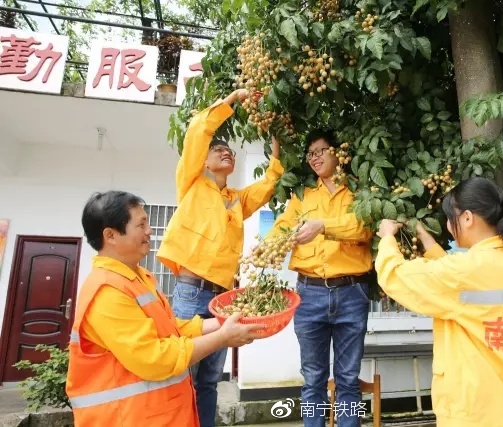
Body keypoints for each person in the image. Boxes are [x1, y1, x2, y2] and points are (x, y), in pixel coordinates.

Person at [65, 190, 265, 426]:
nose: (149, 231)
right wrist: (223, 338)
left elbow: (170, 328)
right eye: (141, 225)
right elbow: (155, 358)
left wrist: (219, 322)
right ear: (110, 235)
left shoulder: (139, 277)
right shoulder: (107, 291)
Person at [155, 89, 283, 427]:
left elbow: (270, 180)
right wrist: (235, 98)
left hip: (223, 295)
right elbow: (199, 131)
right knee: (183, 370)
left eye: (230, 150)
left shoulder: (237, 200)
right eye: (218, 149)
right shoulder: (191, 183)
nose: (225, 151)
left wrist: (275, 141)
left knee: (209, 377)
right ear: (204, 161)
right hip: (190, 290)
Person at [375, 176, 503, 427]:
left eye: (450, 218)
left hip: (478, 413)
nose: (448, 226)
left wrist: (387, 238)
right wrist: (425, 239)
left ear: (467, 218)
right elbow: (459, 288)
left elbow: (394, 277)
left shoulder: (464, 271)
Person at [264, 129, 373, 427]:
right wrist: (267, 246)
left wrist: (323, 225)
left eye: (320, 151)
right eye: (310, 154)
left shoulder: (360, 190)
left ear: (337, 152)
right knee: (313, 380)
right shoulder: (303, 196)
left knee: (348, 379)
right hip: (309, 294)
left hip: (352, 292)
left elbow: (364, 227)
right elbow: (284, 226)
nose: (314, 158)